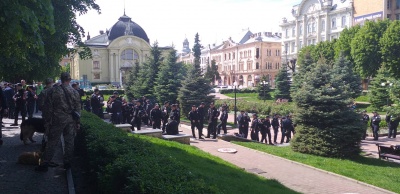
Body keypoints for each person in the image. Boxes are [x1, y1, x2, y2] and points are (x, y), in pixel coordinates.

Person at [35, 72, 81, 172]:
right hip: (70, 120)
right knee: (69, 141)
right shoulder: (75, 92)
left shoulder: (53, 91)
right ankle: (67, 163)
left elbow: (48, 109)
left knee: (52, 141)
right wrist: (77, 122)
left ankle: (45, 164)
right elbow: (78, 109)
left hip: (57, 120)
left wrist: (47, 121)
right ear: (69, 79)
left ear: (61, 79)